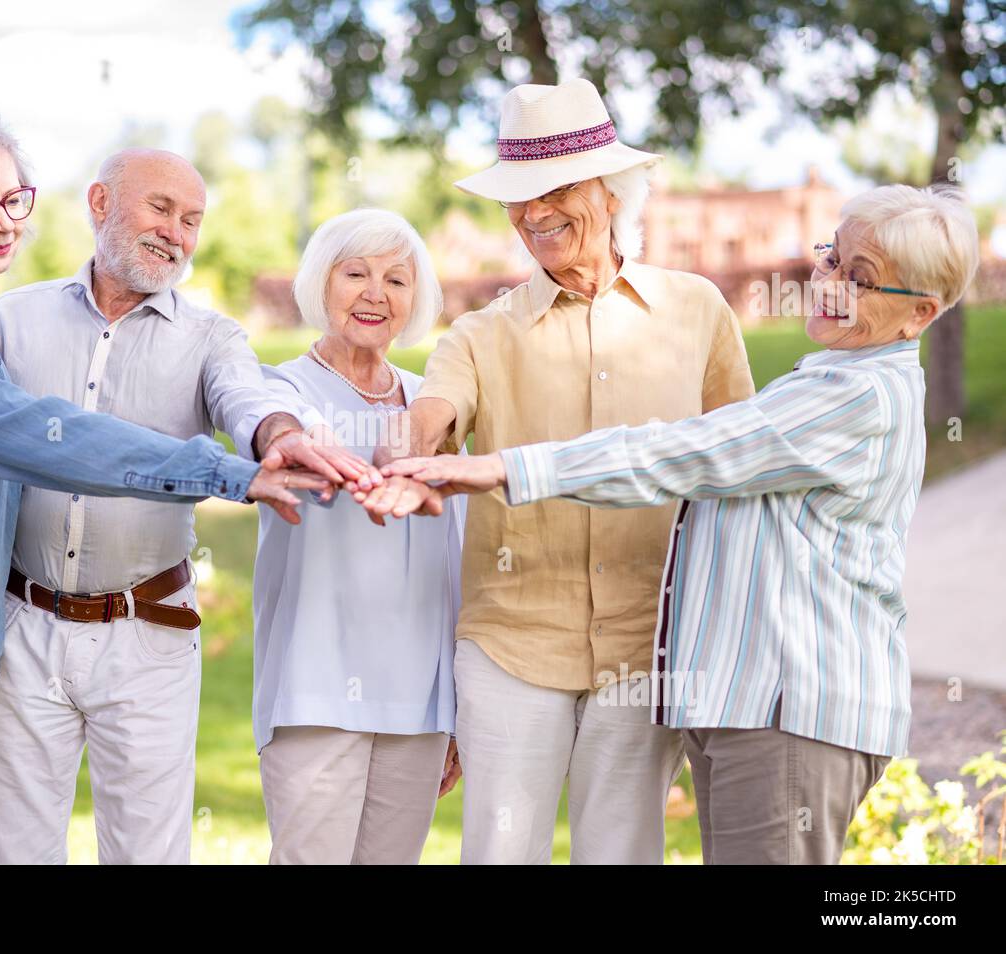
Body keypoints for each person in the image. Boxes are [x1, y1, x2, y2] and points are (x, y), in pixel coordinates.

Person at [384, 183, 981, 865]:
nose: (830, 284)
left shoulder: (854, 399)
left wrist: (502, 471)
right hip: (748, 712)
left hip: (791, 713)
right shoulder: (824, 382)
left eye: (862, 278)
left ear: (919, 316)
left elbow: (686, 453)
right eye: (832, 259)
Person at [0, 107, 333, 865]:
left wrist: (275, 440)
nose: (2, 222)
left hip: (104, 634)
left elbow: (247, 400)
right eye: (160, 207)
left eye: (12, 199)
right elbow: (39, 436)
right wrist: (228, 474)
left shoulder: (201, 335)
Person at [359, 79, 755, 864]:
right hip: (514, 643)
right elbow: (433, 412)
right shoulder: (479, 333)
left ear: (612, 194)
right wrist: (403, 451)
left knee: (622, 851)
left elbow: (741, 462)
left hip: (649, 642)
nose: (534, 213)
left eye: (556, 190)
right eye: (518, 197)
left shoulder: (697, 309)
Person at [247, 209, 464, 864]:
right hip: (316, 686)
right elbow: (292, 445)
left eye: (397, 280)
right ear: (323, 283)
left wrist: (458, 708)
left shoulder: (436, 402)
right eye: (356, 274)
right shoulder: (282, 391)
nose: (376, 293)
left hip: (420, 698)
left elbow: (460, 554)